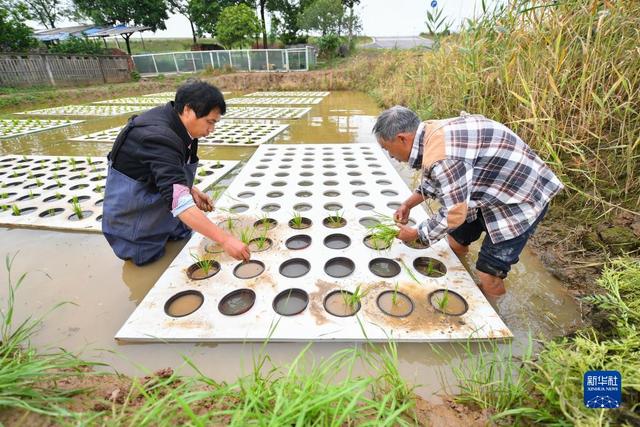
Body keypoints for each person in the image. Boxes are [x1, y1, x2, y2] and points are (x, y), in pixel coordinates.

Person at [373, 106, 563, 298]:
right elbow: (436, 180)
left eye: (388, 149)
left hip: (519, 198)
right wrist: (408, 204)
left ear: (402, 139)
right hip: (485, 188)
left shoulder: (443, 155)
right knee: (455, 240)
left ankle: (493, 306)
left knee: (488, 272)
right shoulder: (431, 132)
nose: (391, 156)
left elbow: (453, 214)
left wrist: (416, 234)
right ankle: (461, 279)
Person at [102, 79, 250, 266]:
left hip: (160, 206)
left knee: (182, 239)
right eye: (209, 122)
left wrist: (190, 189)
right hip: (135, 222)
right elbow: (179, 202)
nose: (211, 130)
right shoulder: (158, 136)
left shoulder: (181, 125)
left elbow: (164, 171)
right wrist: (225, 240)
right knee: (149, 262)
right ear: (188, 109)